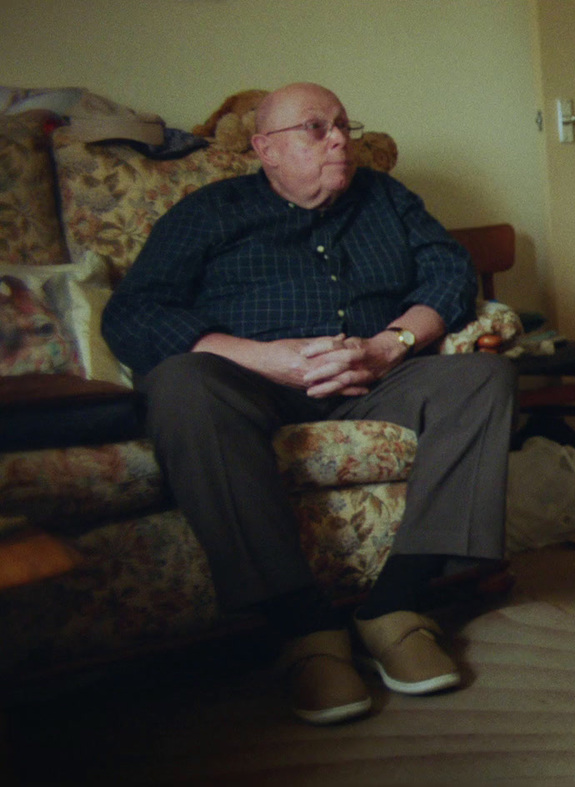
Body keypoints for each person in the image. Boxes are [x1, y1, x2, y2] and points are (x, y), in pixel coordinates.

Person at [102, 82, 517, 725]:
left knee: (483, 379)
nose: (339, 140)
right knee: (182, 384)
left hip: (373, 379)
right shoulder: (210, 211)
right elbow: (134, 312)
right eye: (316, 128)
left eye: (345, 125)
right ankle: (303, 629)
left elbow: (451, 273)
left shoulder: (388, 199)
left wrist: (390, 345)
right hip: (251, 383)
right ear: (265, 149)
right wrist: (260, 356)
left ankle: (399, 607)